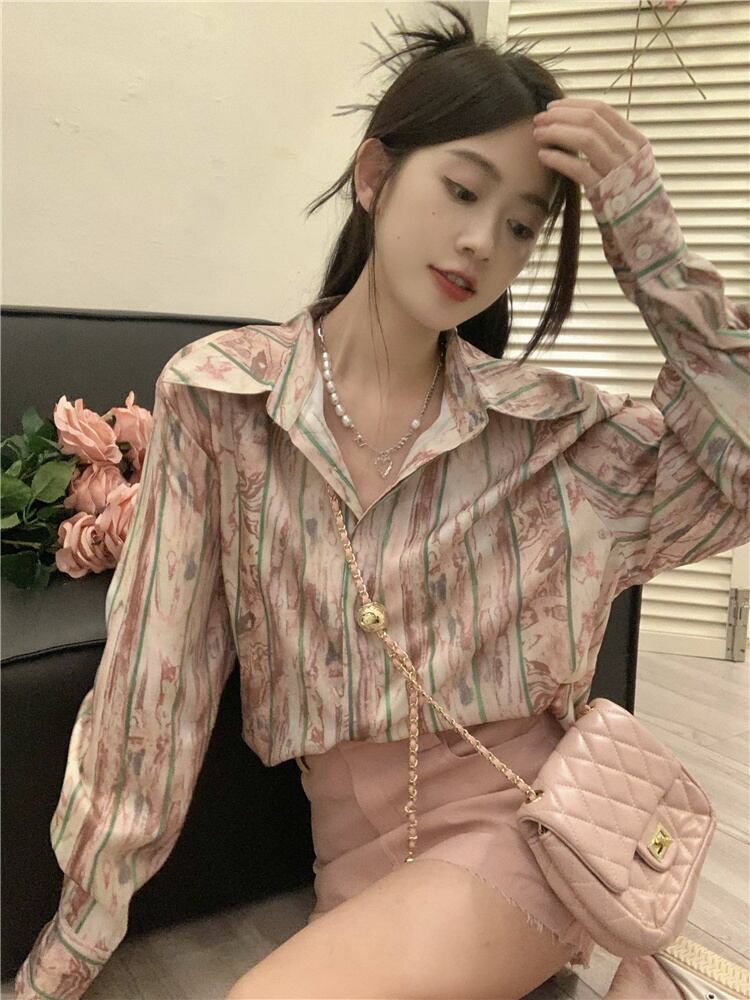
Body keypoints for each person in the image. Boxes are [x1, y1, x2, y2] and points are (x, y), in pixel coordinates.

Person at [16, 3, 750, 999]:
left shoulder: (551, 436)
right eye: (461, 189)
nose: (482, 241)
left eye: (521, 224)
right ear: (373, 175)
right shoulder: (223, 398)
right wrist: (78, 935)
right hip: (357, 871)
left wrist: (652, 250)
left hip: (521, 831)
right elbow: (157, 683)